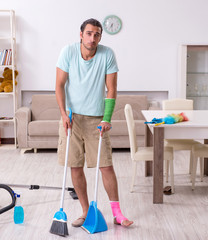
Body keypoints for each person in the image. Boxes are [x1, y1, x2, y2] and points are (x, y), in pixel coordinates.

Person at [55, 18, 133, 228]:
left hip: (96, 120)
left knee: (106, 166)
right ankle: (85, 211)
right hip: (71, 118)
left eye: (97, 34)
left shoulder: (107, 55)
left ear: (100, 36)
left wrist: (107, 118)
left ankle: (117, 213)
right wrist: (63, 114)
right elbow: (59, 85)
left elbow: (112, 90)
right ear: (81, 34)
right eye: (89, 33)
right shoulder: (68, 52)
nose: (93, 38)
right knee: (75, 166)